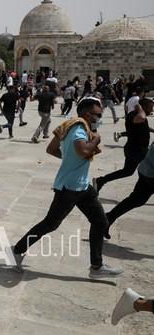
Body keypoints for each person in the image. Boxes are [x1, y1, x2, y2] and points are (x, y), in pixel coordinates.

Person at [9, 98, 121, 278]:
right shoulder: (78, 130)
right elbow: (84, 151)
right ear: (87, 114)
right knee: (50, 224)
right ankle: (17, 249)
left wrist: (69, 159)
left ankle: (96, 267)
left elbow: (52, 149)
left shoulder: (72, 126)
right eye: (98, 115)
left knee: (100, 222)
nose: (100, 117)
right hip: (69, 188)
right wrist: (96, 141)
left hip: (82, 186)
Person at [94, 98, 153, 193]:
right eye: (150, 108)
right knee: (147, 168)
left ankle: (100, 180)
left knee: (128, 171)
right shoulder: (134, 115)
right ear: (143, 107)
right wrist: (139, 108)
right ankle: (140, 193)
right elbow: (141, 118)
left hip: (137, 149)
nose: (152, 110)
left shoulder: (139, 115)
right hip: (136, 150)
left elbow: (142, 125)